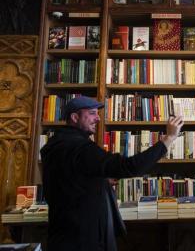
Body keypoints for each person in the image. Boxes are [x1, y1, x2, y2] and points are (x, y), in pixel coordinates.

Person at [41, 96, 183, 251]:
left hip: (61, 233)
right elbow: (129, 167)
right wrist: (168, 140)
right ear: (75, 117)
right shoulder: (81, 148)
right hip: (84, 238)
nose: (98, 118)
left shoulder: (53, 145)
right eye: (92, 113)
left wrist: (99, 181)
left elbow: (69, 180)